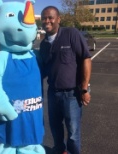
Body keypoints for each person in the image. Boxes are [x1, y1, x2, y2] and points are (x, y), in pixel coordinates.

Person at [39, 6, 92, 154]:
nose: (47, 21)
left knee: (73, 134)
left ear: (58, 19)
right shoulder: (43, 45)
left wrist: (85, 88)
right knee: (55, 130)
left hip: (72, 95)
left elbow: (86, 59)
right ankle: (61, 151)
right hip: (53, 94)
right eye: (44, 18)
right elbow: (43, 71)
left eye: (50, 17)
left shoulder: (71, 34)